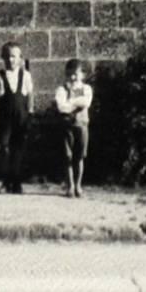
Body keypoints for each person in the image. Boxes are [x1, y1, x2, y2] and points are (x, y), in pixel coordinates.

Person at [0, 42, 33, 194]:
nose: (10, 60)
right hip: (4, 118)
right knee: (5, 148)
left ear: (21, 58)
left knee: (18, 149)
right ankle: (5, 181)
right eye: (7, 57)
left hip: (21, 117)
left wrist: (30, 113)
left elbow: (30, 95)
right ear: (2, 58)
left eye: (14, 57)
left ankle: (16, 182)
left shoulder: (26, 75)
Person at [54, 58, 92, 198]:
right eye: (69, 74)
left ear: (82, 74)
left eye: (76, 74)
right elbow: (61, 107)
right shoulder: (61, 89)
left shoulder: (86, 89)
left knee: (80, 157)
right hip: (67, 127)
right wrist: (73, 104)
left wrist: (70, 102)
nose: (73, 77)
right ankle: (70, 186)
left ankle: (78, 185)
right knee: (68, 157)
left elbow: (85, 102)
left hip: (82, 126)